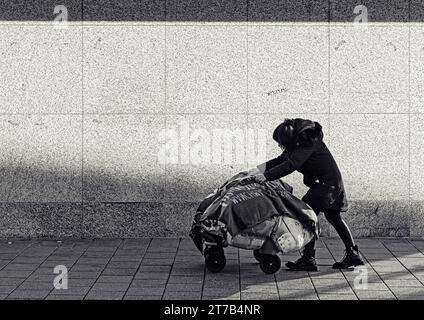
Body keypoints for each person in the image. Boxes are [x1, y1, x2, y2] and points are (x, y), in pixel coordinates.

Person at [252, 118, 364, 271]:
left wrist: (266, 176)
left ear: (288, 138)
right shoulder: (301, 141)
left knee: (306, 215)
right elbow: (280, 160)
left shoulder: (307, 143)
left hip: (327, 185)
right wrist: (257, 170)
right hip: (328, 184)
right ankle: (353, 253)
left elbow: (291, 164)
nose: (279, 146)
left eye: (280, 142)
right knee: (332, 217)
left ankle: (309, 258)